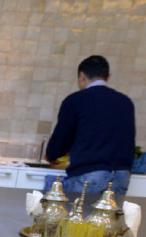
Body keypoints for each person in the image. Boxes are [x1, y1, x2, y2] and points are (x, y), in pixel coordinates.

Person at [44, 55, 136, 195]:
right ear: (108, 77)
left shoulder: (75, 100)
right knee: (109, 216)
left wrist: (51, 155)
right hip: (121, 176)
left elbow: (62, 139)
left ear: (82, 76)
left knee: (78, 215)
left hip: (89, 174)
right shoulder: (125, 102)